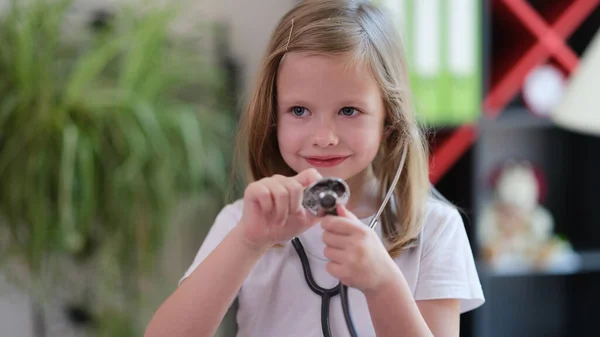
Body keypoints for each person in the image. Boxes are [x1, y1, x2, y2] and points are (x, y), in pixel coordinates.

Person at [144, 1, 484, 336]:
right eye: (299, 110)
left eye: (349, 111)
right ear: (273, 117)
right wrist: (248, 243)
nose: (324, 138)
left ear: (388, 120)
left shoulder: (434, 229)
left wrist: (383, 285)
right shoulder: (243, 223)